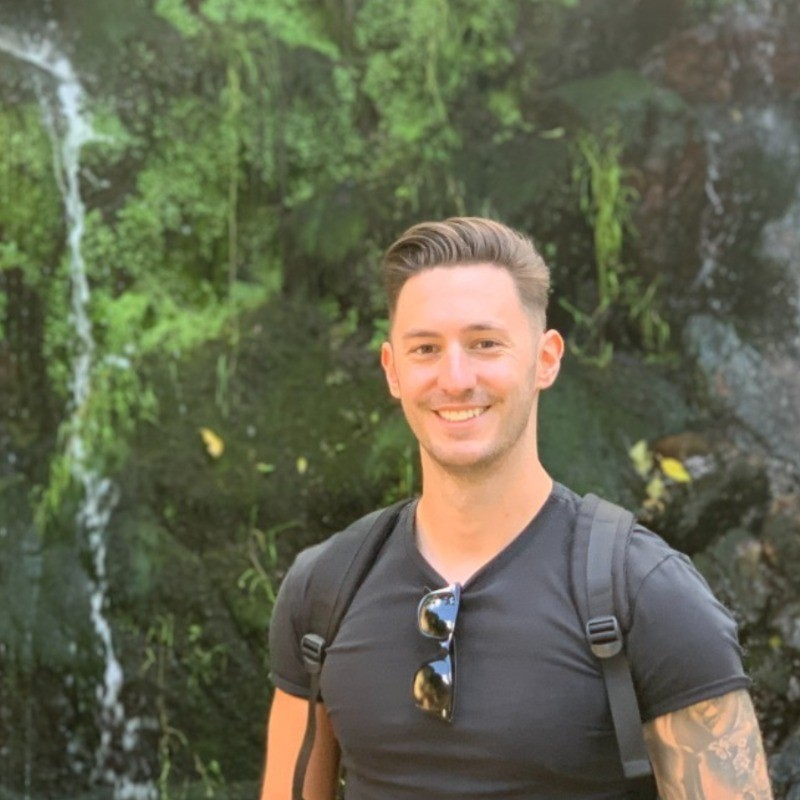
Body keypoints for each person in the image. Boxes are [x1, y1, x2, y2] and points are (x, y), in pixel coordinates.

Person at [261, 217, 773, 799]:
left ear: (545, 358)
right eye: (426, 349)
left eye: (485, 344)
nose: (456, 378)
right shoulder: (325, 590)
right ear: (392, 370)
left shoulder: (648, 596)